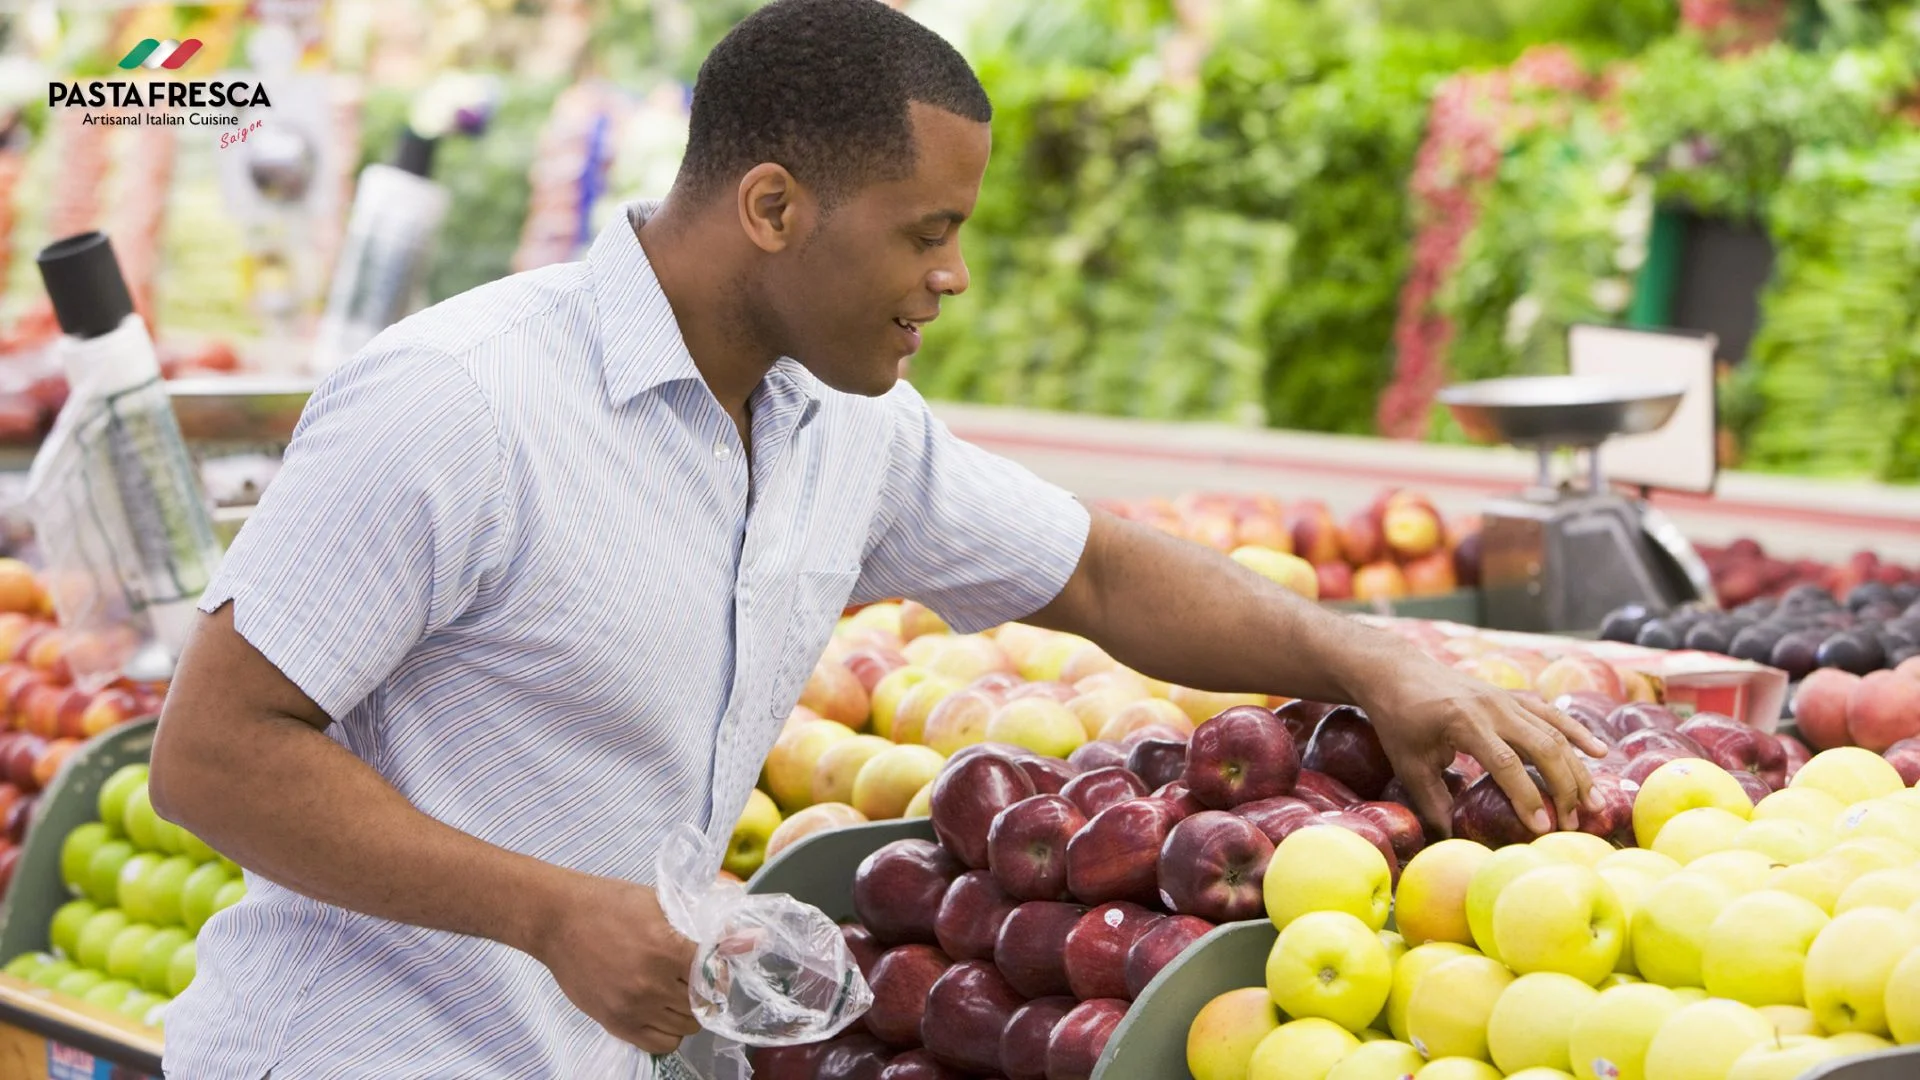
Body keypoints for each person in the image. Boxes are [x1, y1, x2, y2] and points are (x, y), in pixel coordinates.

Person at [148, 1, 1605, 1076]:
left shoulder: (836, 427)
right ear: (774, 207)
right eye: (926, 232)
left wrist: (1375, 663)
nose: (953, 276)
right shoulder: (462, 400)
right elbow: (212, 754)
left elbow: (1095, 571)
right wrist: (550, 917)